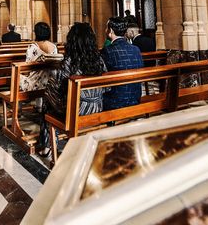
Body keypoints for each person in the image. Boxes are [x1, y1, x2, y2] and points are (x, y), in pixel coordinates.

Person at [38, 22, 106, 155]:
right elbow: (105, 86)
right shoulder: (98, 59)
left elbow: (61, 87)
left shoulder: (70, 61)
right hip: (97, 106)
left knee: (47, 102)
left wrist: (50, 88)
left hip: (77, 110)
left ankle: (47, 146)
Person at [101, 17, 143, 110]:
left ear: (110, 31)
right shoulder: (136, 49)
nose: (105, 30)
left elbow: (100, 75)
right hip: (135, 98)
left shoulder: (107, 50)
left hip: (115, 102)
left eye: (106, 27)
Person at [21, 22, 57, 93]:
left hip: (34, 84)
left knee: (16, 77)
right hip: (49, 83)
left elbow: (27, 68)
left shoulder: (32, 47)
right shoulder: (54, 47)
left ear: (37, 33)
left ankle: (18, 102)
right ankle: (39, 103)